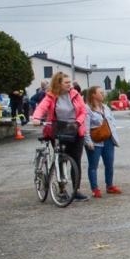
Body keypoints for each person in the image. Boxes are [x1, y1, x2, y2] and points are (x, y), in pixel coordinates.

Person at [30, 71, 92, 201]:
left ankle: (76, 190)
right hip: (58, 129)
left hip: (75, 130)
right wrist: (36, 118)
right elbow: (42, 108)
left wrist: (78, 122)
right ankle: (62, 190)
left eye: (70, 82)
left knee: (76, 161)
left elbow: (83, 111)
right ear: (58, 83)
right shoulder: (51, 96)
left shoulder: (75, 94)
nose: (70, 85)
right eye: (67, 83)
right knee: (60, 159)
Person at [84, 86, 121, 198]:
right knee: (93, 165)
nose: (103, 94)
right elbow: (85, 126)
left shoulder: (105, 107)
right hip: (95, 141)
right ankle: (94, 188)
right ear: (93, 95)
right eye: (100, 92)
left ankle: (109, 186)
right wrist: (88, 141)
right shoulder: (87, 109)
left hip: (108, 139)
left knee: (109, 164)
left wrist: (114, 137)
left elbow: (112, 122)